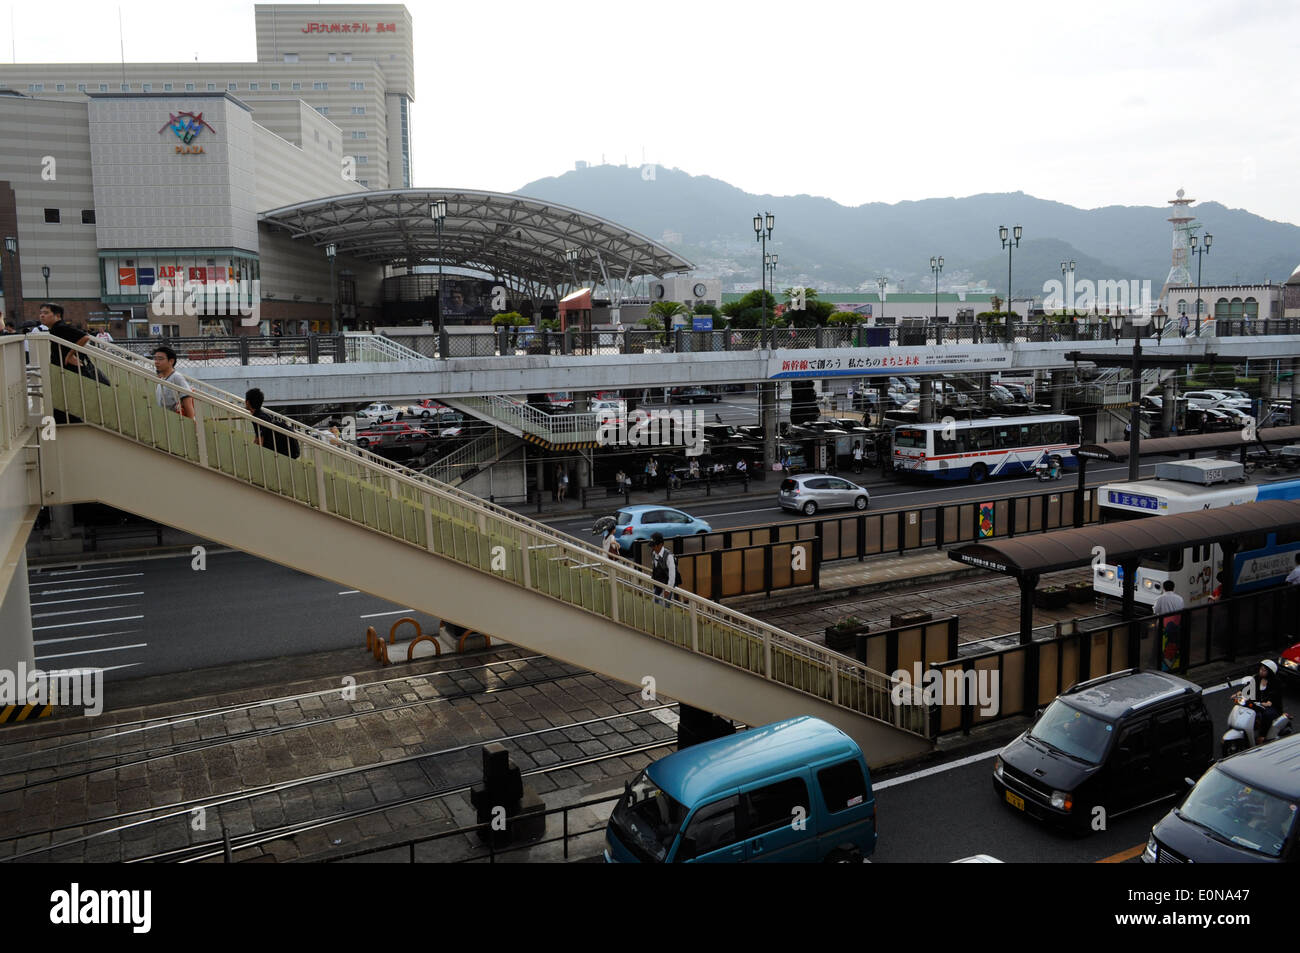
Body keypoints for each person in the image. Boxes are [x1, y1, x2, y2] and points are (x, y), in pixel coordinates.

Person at [245, 387, 300, 458]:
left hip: (286, 452)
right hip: (290, 449)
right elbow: (258, 438)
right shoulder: (263, 415)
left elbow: (260, 443)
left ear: (248, 402)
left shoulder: (259, 418)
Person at [152, 344, 195, 419]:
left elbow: (187, 400)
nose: (156, 362)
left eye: (160, 359)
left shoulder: (176, 377)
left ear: (171, 361)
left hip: (177, 421)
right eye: (155, 359)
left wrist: (192, 423)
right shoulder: (162, 379)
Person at [1153, 580, 1185, 671]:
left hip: (1163, 625)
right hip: (1176, 624)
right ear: (1173, 588)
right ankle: (1172, 663)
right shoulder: (1179, 598)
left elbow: (1155, 611)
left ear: (1163, 588)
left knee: (1160, 644)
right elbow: (1181, 610)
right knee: (1173, 644)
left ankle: (1160, 663)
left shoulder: (1160, 598)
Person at [1252, 659, 1283, 742]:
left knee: (1267, 715)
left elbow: (1274, 694)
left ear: (1270, 672)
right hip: (1258, 704)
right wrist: (1239, 693)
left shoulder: (1276, 682)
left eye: (1264, 670)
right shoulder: (1256, 678)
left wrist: (1268, 702)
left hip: (1272, 707)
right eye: (1261, 669)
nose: (1261, 671)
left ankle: (1262, 735)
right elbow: (1248, 687)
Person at [649, 532, 677, 605]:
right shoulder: (653, 553)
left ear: (661, 545)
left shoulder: (669, 556)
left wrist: (668, 590)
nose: (653, 548)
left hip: (666, 585)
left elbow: (672, 576)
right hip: (658, 584)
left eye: (654, 546)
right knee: (654, 604)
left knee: (664, 607)